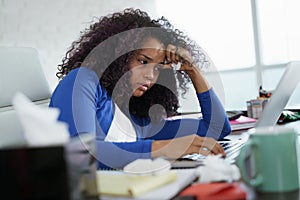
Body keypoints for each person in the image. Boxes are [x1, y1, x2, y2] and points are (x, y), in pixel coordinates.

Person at [49, 8, 231, 169]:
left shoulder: (139, 123)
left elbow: (217, 128)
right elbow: (78, 153)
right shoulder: (82, 80)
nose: (151, 75)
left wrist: (193, 70)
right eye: (143, 61)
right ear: (118, 56)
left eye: (158, 68)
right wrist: (163, 148)